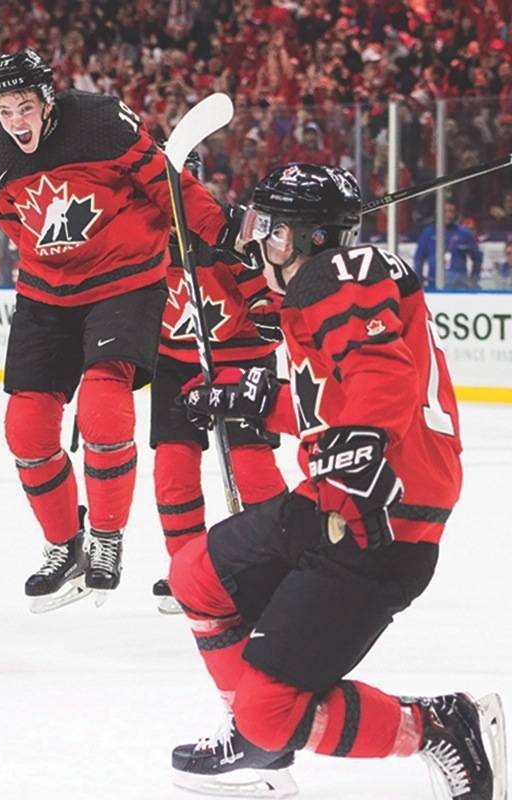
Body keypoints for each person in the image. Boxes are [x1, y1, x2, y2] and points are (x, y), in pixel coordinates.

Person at [170, 163, 504, 798]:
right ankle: (255, 742)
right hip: (332, 500)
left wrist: (362, 440)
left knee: (272, 711)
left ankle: (438, 725)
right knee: (195, 575)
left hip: (382, 525)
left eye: (269, 228)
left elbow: (383, 377)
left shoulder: (338, 276)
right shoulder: (317, 293)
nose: (257, 239)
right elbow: (332, 405)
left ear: (307, 238)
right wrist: (250, 398)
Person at [0, 49, 233, 612]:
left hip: (124, 281)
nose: (16, 120)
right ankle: (63, 543)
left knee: (101, 404)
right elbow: (16, 227)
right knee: (26, 427)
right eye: (4, 108)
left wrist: (218, 227)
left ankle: (106, 539)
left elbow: (165, 182)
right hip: (45, 294)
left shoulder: (100, 122)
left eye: (25, 106)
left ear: (47, 100)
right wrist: (57, 266)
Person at [149, 151, 287, 614]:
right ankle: (190, 568)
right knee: (173, 466)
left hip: (240, 356)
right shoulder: (141, 236)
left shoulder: (229, 228)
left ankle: (281, 559)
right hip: (176, 360)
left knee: (250, 465)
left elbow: (265, 280)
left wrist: (268, 312)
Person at [413, 200, 483, 289]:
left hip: (459, 287)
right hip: (434, 286)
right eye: (445, 211)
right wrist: (419, 283)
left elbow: (477, 259)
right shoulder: (428, 233)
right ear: (438, 212)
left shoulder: (465, 234)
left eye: (451, 211)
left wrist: (473, 280)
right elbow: (418, 259)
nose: (448, 215)